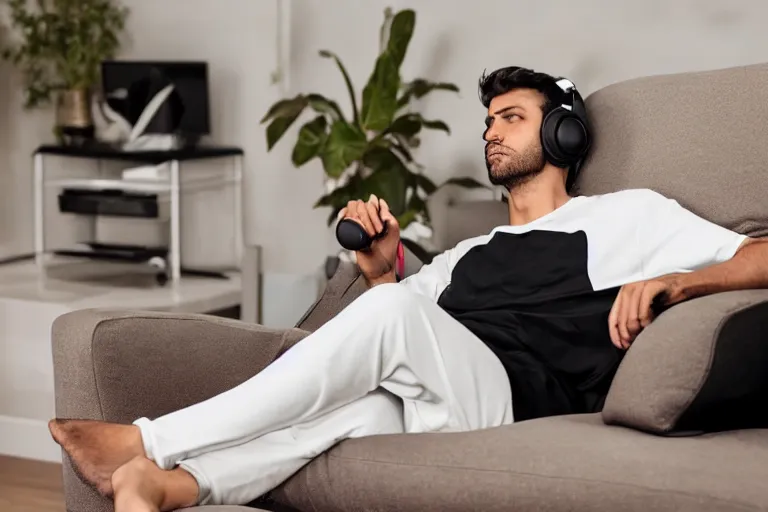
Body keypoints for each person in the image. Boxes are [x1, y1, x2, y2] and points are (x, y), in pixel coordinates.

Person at [49, 66, 768, 512]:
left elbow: (759, 253)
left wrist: (682, 280)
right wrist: (384, 268)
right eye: (488, 120)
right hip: (447, 392)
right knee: (352, 409)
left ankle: (146, 442)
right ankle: (165, 488)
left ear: (566, 134)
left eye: (511, 117)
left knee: (393, 318)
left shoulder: (623, 217)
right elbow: (405, 329)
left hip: (518, 400)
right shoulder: (469, 252)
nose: (491, 132)